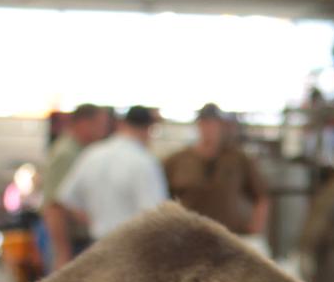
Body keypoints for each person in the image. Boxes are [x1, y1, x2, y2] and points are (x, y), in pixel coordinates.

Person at [44, 105, 168, 268]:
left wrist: (95, 219)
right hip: (131, 255)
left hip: (96, 249)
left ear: (122, 124)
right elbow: (157, 218)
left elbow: (64, 201)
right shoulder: (144, 162)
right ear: (148, 130)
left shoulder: (92, 154)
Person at [163, 104, 271, 253]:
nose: (209, 129)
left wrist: (255, 228)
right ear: (199, 125)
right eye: (205, 123)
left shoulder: (237, 159)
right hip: (189, 241)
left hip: (228, 240)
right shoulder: (176, 160)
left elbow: (261, 195)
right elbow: (161, 199)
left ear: (221, 126)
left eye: (214, 124)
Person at [39, 103, 106, 216]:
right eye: (100, 125)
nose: (103, 131)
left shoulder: (80, 149)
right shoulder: (67, 153)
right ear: (84, 123)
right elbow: (54, 205)